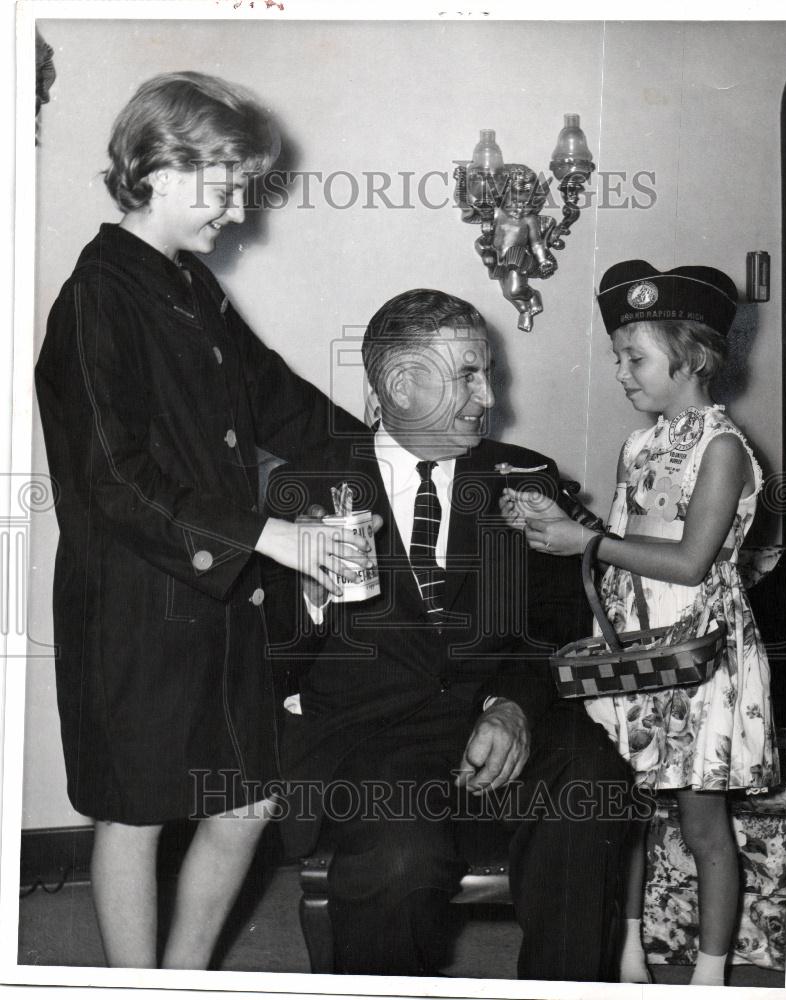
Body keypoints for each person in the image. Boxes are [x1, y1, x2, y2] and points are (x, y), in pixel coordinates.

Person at [34, 71, 375, 970]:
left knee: (245, 801)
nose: (239, 211)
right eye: (227, 188)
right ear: (160, 168)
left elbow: (282, 403)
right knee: (136, 810)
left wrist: (385, 456)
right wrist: (270, 536)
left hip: (222, 604)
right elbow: (114, 479)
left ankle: (182, 981)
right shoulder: (97, 297)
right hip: (138, 608)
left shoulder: (192, 288)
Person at [271, 288, 637, 982]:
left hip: (497, 716)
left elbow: (557, 630)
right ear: (401, 383)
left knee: (594, 779)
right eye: (469, 374)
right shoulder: (306, 487)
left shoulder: (526, 478)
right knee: (399, 861)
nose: (489, 395)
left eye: (488, 372)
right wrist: (311, 598)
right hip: (372, 741)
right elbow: (266, 648)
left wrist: (514, 704)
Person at [502, 260, 780, 986]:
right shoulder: (637, 445)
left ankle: (710, 972)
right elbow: (624, 552)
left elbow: (689, 562)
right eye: (619, 358)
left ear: (692, 357)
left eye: (636, 358)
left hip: (698, 654)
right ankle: (629, 952)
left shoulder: (721, 450)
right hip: (631, 647)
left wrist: (584, 540)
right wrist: (557, 525)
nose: (622, 373)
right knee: (619, 806)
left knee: (700, 822)